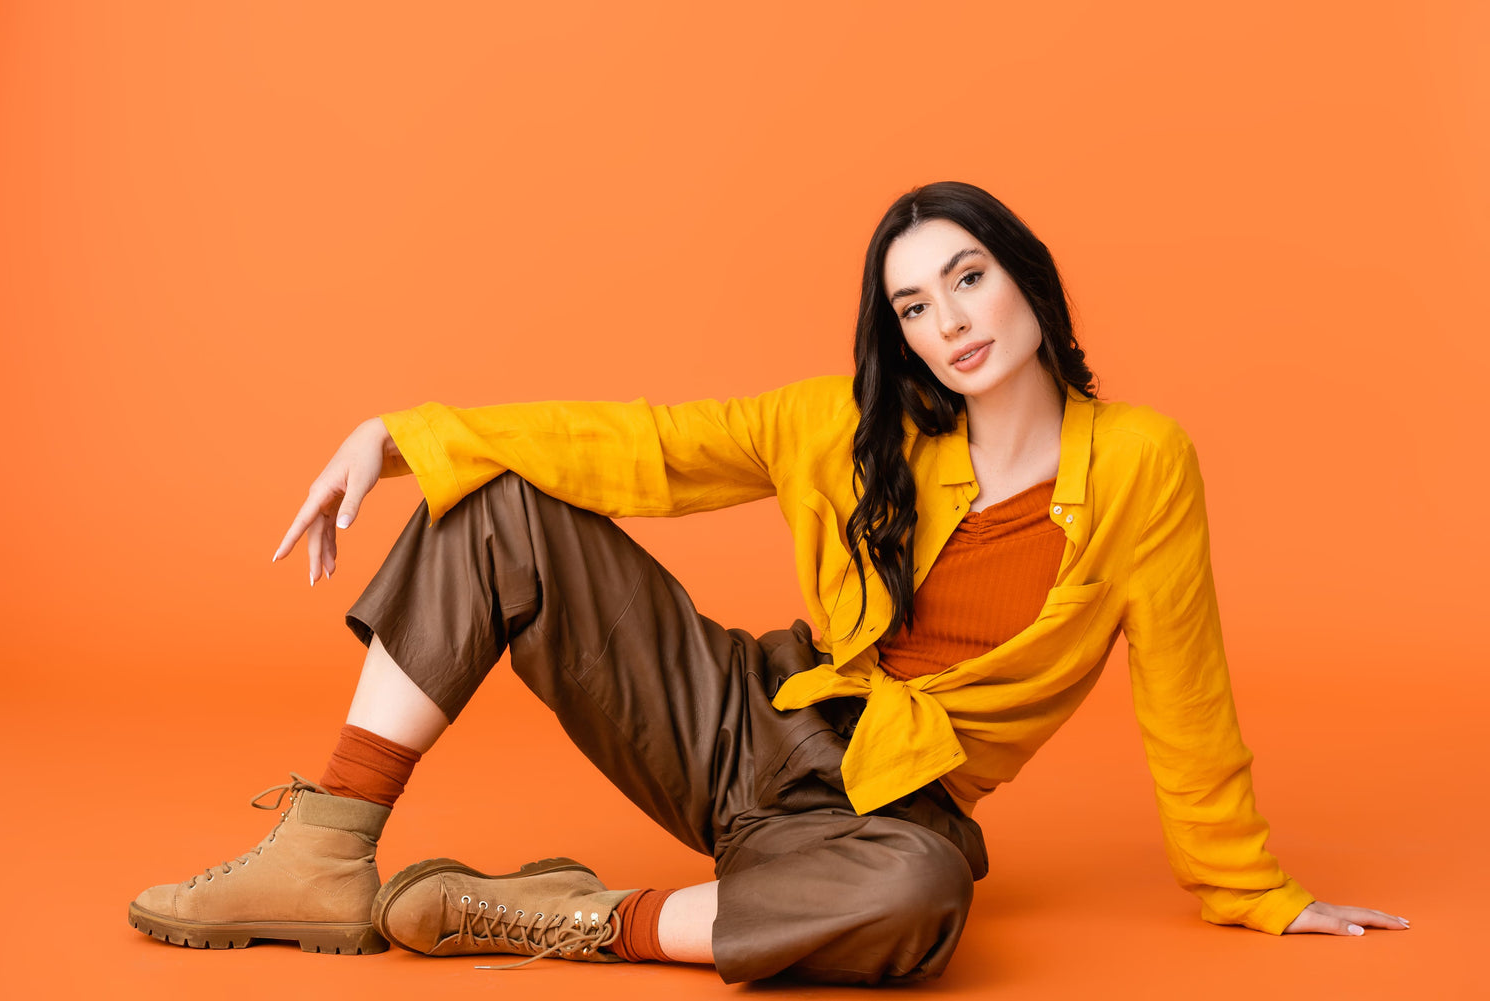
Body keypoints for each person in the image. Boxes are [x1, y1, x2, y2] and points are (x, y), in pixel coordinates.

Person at [127, 180, 1409, 985]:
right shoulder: (844, 422)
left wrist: (1253, 887)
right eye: (912, 305)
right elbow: (647, 442)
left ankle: (558, 920)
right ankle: (322, 858)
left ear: (1024, 273)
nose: (950, 320)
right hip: (742, 710)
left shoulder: (1142, 461)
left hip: (889, 806)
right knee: (501, 503)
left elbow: (1186, 678)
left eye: (968, 276)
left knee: (917, 902)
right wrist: (394, 440)